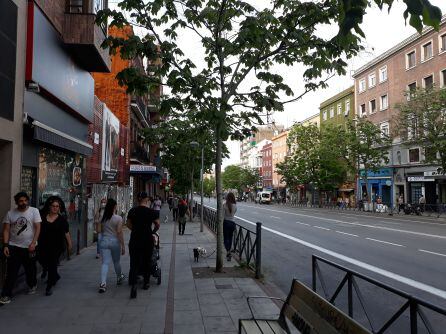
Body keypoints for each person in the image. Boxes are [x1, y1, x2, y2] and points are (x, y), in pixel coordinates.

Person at [1, 192, 42, 304]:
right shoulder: (10, 214)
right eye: (20, 201)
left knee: (30, 270)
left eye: (25, 200)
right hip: (14, 246)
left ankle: (32, 284)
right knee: (11, 272)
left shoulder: (34, 211)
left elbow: (38, 228)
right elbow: (6, 230)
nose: (23, 203)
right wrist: (5, 245)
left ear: (27, 201)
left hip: (30, 247)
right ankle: (6, 294)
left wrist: (33, 243)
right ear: (16, 202)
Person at [127, 192, 160, 299]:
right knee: (147, 260)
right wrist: (152, 232)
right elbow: (157, 224)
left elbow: (128, 224)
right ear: (146, 200)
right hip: (147, 240)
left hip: (135, 239)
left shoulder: (132, 211)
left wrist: (136, 230)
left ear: (138, 199)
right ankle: (146, 283)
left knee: (134, 260)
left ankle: (133, 282)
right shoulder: (152, 212)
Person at [38, 196, 72, 296]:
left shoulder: (62, 220)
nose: (55, 208)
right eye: (53, 206)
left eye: (57, 206)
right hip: (43, 245)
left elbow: (66, 233)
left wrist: (69, 244)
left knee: (52, 264)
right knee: (43, 261)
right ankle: (55, 276)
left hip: (56, 246)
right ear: (49, 207)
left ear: (59, 208)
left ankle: (49, 286)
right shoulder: (42, 218)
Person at [98, 198, 125, 293]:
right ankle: (119, 277)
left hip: (104, 241)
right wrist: (123, 245)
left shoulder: (102, 217)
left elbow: (100, 231)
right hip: (115, 242)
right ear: (114, 206)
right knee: (116, 262)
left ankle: (103, 283)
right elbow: (119, 232)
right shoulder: (118, 218)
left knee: (105, 263)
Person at [223, 192, 237, 261]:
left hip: (226, 223)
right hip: (232, 223)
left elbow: (222, 215)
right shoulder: (235, 205)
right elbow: (234, 214)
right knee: (230, 237)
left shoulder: (224, 205)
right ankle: (229, 250)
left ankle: (228, 251)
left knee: (226, 238)